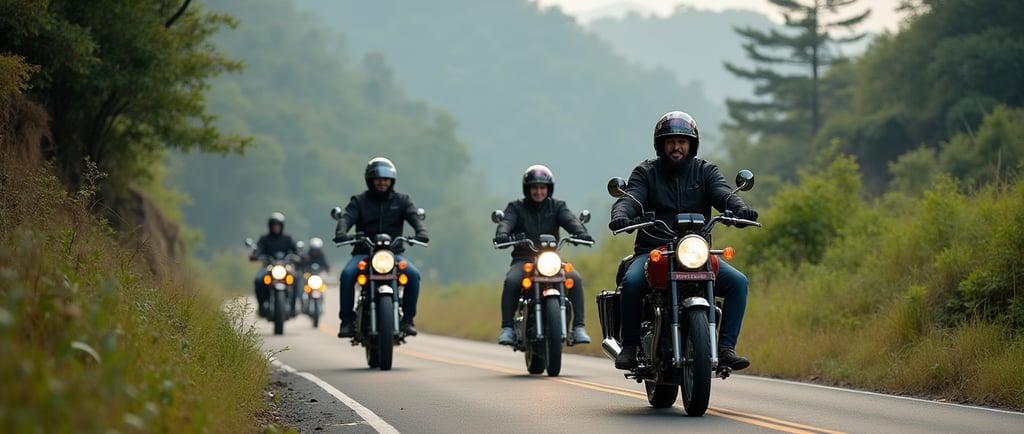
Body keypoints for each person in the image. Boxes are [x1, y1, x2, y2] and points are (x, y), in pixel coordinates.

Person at [608, 111, 759, 371]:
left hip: (695, 251)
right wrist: (621, 215)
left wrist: (740, 209)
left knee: (738, 282)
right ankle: (630, 346)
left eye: (682, 141)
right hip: (653, 249)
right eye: (671, 141)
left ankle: (725, 349)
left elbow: (723, 193)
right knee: (631, 281)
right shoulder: (646, 173)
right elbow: (630, 198)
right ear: (661, 145)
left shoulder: (705, 171)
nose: (676, 147)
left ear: (692, 145)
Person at [493, 164, 593, 346]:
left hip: (551, 258)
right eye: (534, 187)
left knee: (575, 279)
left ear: (548, 188)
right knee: (512, 281)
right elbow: (506, 222)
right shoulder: (516, 207)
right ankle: (507, 328)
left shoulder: (558, 206)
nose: (538, 191)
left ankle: (579, 327)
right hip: (524, 258)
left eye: (542, 187)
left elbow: (570, 220)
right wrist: (502, 234)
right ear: (527, 189)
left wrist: (580, 232)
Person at [333, 157, 429, 338]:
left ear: (392, 181)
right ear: (370, 180)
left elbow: (415, 218)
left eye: (386, 179)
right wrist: (341, 232)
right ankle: (346, 321)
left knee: (413, 275)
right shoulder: (359, 201)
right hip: (364, 253)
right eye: (378, 179)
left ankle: (408, 320)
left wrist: (421, 232)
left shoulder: (402, 201)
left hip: (393, 254)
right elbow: (347, 218)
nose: (382, 182)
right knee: (347, 275)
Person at [251, 212, 300, 318]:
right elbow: (258, 250)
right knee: (258, 280)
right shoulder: (264, 239)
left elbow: (296, 251)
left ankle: (293, 306)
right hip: (268, 267)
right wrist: (256, 256)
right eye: (274, 225)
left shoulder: (287, 239)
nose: (276, 228)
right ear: (270, 226)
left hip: (285, 267)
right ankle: (261, 306)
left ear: (281, 226)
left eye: (278, 225)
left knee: (295, 278)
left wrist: (299, 256)